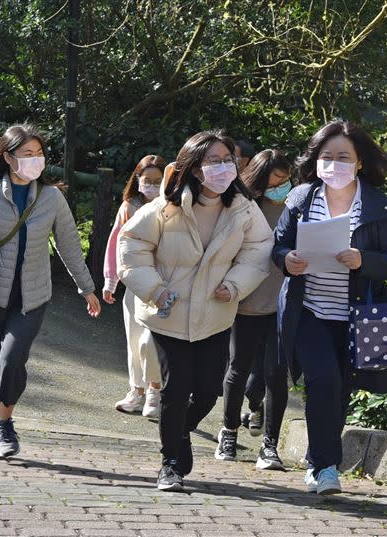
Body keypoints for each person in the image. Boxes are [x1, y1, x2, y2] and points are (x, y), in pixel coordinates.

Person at [117, 130, 273, 491]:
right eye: (212, 161)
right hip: (167, 314)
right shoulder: (166, 206)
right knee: (175, 388)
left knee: (206, 391)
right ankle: (170, 463)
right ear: (193, 167)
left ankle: (178, 432)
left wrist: (234, 284)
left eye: (226, 160)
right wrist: (155, 289)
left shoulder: (244, 209)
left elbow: (259, 250)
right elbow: (133, 244)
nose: (222, 167)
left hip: (215, 315)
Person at [0, 124, 101, 460]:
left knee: (12, 361)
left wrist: (87, 288)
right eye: (27, 154)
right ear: (9, 157)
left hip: (31, 296)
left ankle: (6, 423)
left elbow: (70, 245)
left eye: (39, 154)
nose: (35, 160)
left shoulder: (51, 197)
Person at [272, 120, 387, 495]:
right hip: (310, 311)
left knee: (339, 391)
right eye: (326, 156)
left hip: (355, 318)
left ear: (359, 162)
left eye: (343, 157)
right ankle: (327, 468)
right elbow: (277, 248)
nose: (334, 164)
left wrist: (363, 260)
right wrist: (288, 260)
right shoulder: (301, 198)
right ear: (315, 160)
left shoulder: (379, 205)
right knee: (323, 379)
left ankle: (317, 461)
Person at [215, 150, 291, 471]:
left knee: (276, 376)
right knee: (239, 370)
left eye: (288, 180)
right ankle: (229, 430)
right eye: (278, 180)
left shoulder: (294, 210)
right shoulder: (243, 209)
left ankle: (270, 446)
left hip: (281, 307)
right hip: (244, 304)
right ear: (261, 179)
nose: (284, 186)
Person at [103, 155, 165, 418]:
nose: (151, 185)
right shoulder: (129, 206)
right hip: (133, 283)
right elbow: (115, 242)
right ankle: (136, 390)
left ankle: (155, 389)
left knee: (151, 340)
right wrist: (110, 280)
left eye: (157, 181)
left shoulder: (172, 206)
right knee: (134, 339)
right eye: (146, 180)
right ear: (137, 180)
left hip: (162, 284)